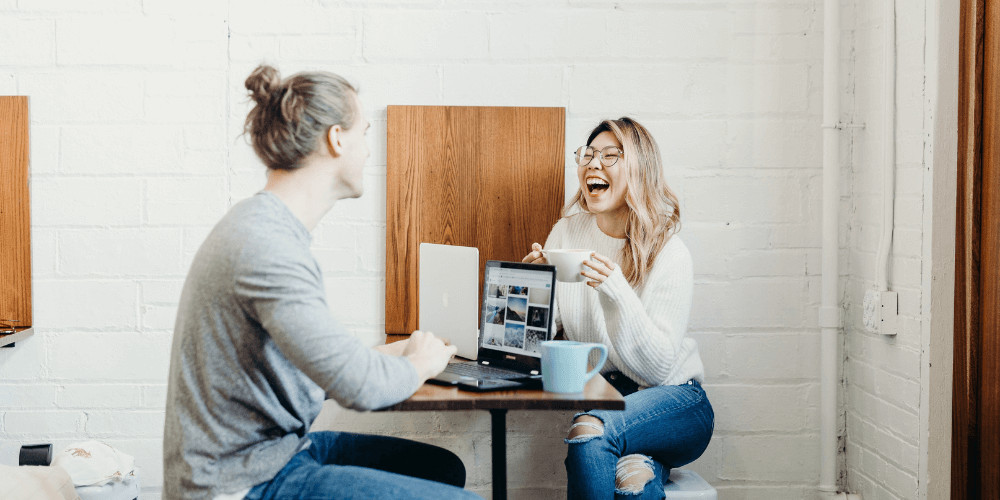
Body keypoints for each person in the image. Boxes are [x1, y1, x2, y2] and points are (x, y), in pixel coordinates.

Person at [163, 64, 479, 500]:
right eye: (365, 133)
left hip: (277, 452)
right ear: (336, 139)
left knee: (440, 468)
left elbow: (323, 363)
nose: (369, 151)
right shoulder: (265, 246)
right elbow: (359, 386)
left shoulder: (268, 228)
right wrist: (420, 364)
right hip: (239, 482)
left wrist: (398, 352)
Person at [522, 117, 714, 499]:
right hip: (611, 396)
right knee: (633, 478)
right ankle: (646, 461)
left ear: (639, 169)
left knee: (588, 430)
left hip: (676, 401)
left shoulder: (668, 251)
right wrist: (535, 290)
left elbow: (656, 368)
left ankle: (644, 453)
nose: (593, 164)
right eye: (588, 155)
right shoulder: (566, 232)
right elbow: (544, 337)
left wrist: (615, 289)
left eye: (611, 156)